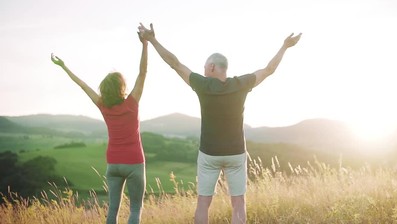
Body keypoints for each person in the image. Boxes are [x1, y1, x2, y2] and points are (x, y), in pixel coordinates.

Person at [139, 22, 301, 224]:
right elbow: (269, 69)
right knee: (239, 202)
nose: (203, 69)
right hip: (235, 153)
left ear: (212, 67)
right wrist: (284, 46)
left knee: (203, 203)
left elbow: (175, 63)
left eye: (205, 66)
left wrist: (152, 40)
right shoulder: (241, 84)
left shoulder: (203, 84)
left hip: (209, 154)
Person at [50, 27, 149, 224]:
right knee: (135, 210)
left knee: (112, 211)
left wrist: (63, 66)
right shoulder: (132, 103)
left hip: (113, 163)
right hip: (134, 162)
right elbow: (143, 72)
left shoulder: (103, 105)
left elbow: (83, 85)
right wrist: (145, 45)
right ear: (122, 87)